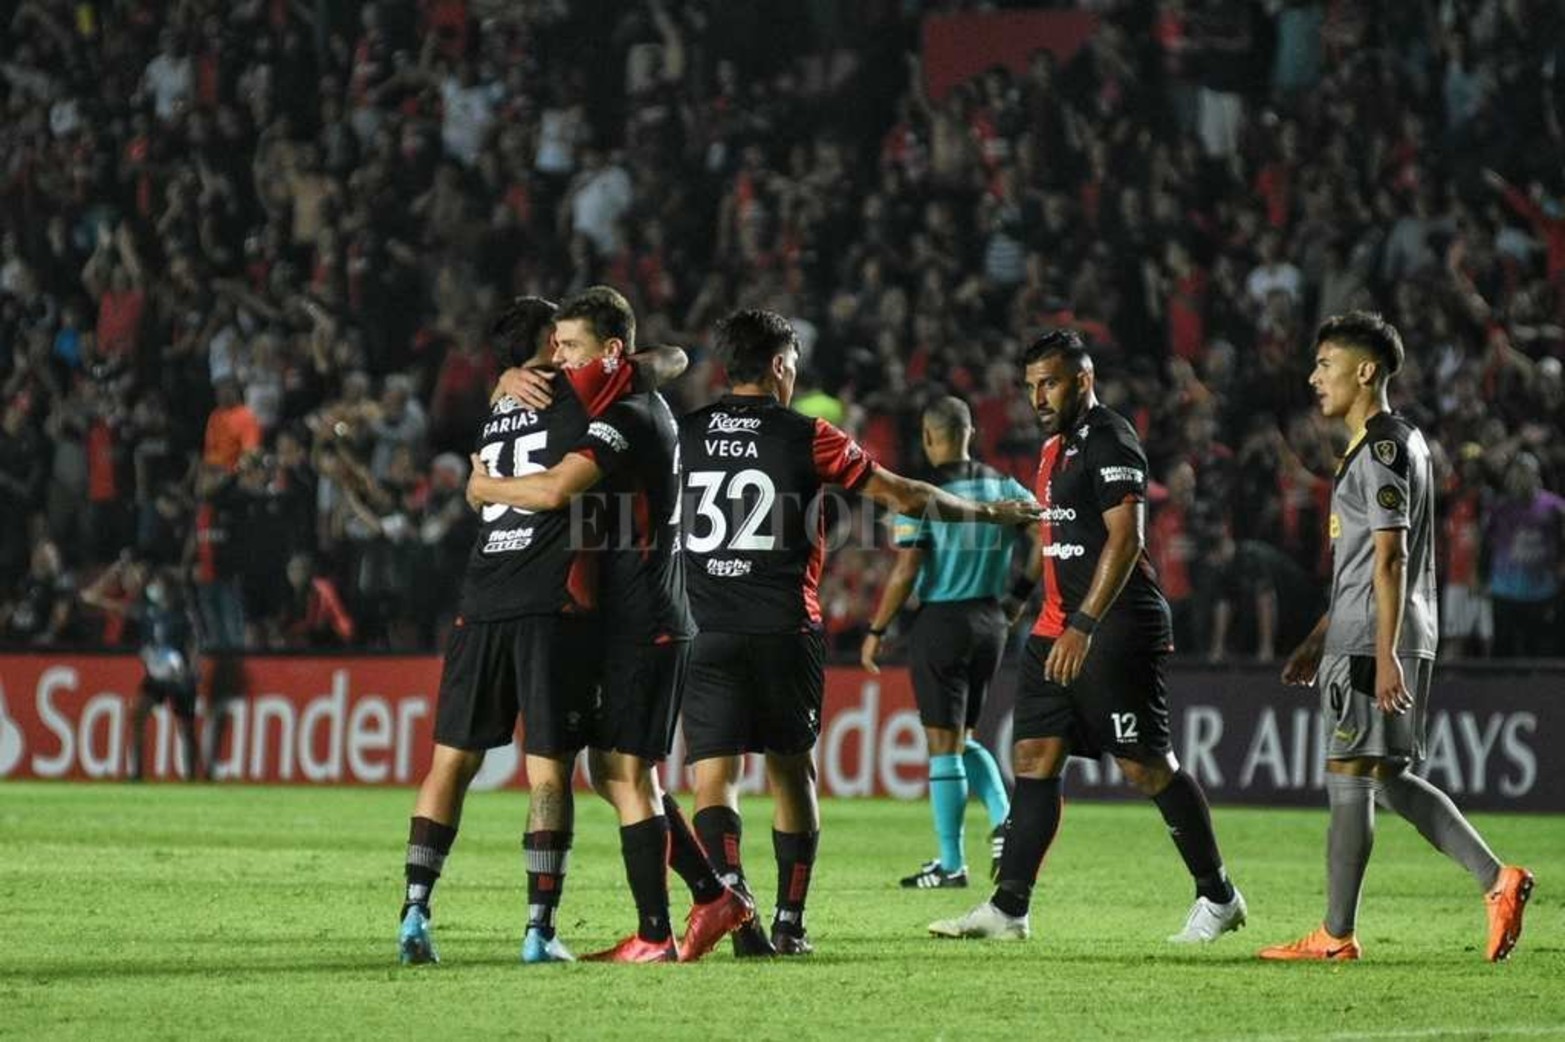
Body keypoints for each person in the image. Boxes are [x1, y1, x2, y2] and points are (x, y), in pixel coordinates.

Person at [677, 313, 1041, 956]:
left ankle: (734, 906)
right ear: (780, 365)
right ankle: (789, 925)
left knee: (714, 776)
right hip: (784, 627)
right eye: (791, 361)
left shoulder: (686, 433)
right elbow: (901, 494)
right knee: (792, 774)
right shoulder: (808, 434)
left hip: (705, 628)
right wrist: (986, 511)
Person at [929, 329, 1246, 944]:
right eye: (1030, 387)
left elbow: (1125, 540)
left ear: (1083, 380)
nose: (1037, 397)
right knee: (1034, 758)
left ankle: (1219, 895)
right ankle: (1008, 908)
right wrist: (1032, 603)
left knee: (1146, 767)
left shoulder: (1110, 439)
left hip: (1114, 627)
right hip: (1057, 627)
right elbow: (1066, 540)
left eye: (1048, 383)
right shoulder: (1054, 449)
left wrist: (1084, 623)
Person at [469, 286, 751, 964]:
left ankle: (659, 932)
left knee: (625, 772)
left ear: (612, 353)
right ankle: (713, 899)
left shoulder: (623, 414)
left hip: (649, 618)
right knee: (614, 772)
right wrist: (505, 382)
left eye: (570, 348)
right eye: (554, 348)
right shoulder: (616, 396)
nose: (560, 361)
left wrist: (482, 487)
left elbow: (551, 489)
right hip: (632, 617)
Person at [1259, 311, 1534, 962]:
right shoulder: (1382, 446)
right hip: (1367, 630)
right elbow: (1362, 566)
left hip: (1373, 639)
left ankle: (1333, 935)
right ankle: (1497, 880)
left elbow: (1390, 557)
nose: (1312, 377)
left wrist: (1381, 655)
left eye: (1325, 364)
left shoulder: (1382, 447)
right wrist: (1316, 637)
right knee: (1386, 777)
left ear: (1365, 372)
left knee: (1350, 776)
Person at [396, 295, 645, 966]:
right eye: (556, 338)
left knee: (449, 762)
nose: (566, 348)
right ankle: (538, 928)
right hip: (547, 601)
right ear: (545, 344)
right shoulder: (576, 389)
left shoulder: (497, 406)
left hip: (479, 598)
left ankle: (414, 913)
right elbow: (666, 361)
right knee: (548, 771)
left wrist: (501, 380)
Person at [861, 395, 1035, 889]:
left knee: (943, 745)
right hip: (991, 622)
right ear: (970, 432)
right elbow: (1043, 532)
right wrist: (1018, 597)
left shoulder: (925, 492)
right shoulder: (1003, 486)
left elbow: (907, 567)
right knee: (963, 740)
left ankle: (952, 862)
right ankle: (1003, 818)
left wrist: (877, 629)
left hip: (943, 621)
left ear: (929, 436)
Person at [83, 558, 200, 781]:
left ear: (169, 589)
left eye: (158, 585)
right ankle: (135, 774)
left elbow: (194, 645)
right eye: (152, 585)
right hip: (155, 677)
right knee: (137, 715)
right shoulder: (146, 612)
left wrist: (190, 670)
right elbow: (93, 598)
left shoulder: (182, 616)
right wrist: (115, 570)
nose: (153, 589)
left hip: (179, 678)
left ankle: (191, 777)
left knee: (186, 728)